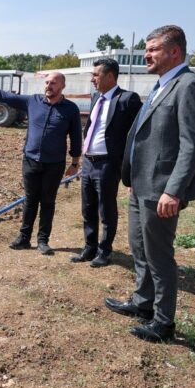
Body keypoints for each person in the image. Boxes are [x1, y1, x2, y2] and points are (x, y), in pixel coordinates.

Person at [104, 25, 195, 343]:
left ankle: (163, 323)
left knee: (159, 255)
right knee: (139, 247)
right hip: (141, 184)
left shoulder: (189, 85)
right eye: (147, 50)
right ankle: (143, 302)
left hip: (161, 189)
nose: (147, 55)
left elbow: (192, 145)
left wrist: (173, 190)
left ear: (174, 51)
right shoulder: (161, 85)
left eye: (153, 49)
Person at [0, 71, 82, 255]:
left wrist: (75, 163)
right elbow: (5, 96)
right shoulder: (33, 101)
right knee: (30, 200)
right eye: (47, 82)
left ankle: (43, 240)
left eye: (53, 83)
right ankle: (24, 238)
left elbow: (76, 137)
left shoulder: (70, 109)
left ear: (62, 86)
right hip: (30, 161)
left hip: (54, 164)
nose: (49, 85)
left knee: (48, 201)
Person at [71, 58, 142, 267]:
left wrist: (130, 166)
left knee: (106, 209)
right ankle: (89, 247)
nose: (92, 79)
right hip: (89, 162)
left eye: (96, 75)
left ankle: (104, 251)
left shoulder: (127, 99)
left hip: (108, 164)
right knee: (88, 208)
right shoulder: (96, 98)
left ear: (110, 76)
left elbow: (139, 134)